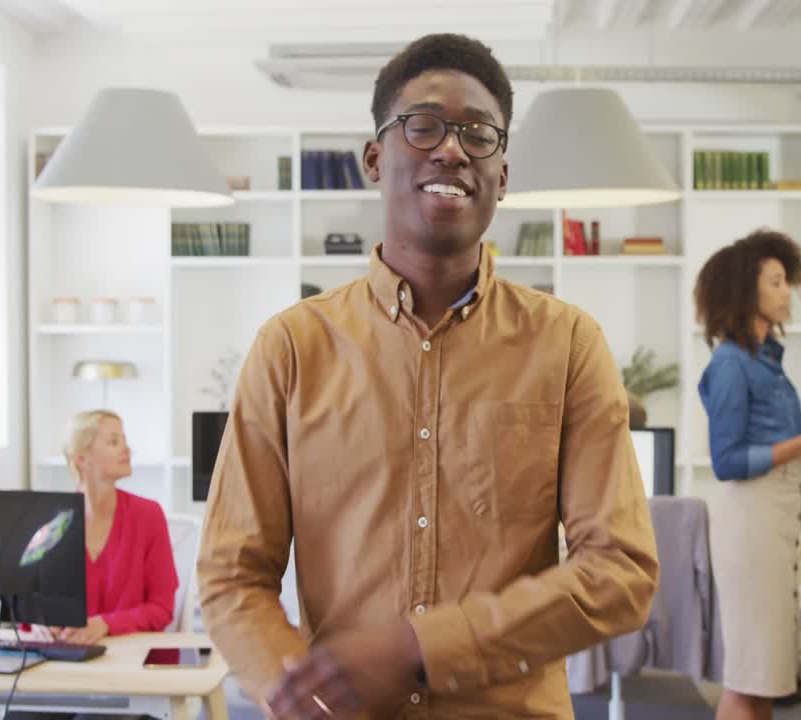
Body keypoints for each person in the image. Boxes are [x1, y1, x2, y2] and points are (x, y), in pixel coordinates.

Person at [197, 32, 659, 720]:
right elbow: (233, 575)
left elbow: (620, 572)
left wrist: (423, 645)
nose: (451, 148)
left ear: (501, 176)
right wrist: (299, 689)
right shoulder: (291, 349)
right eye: (423, 126)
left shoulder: (567, 345)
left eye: (479, 134)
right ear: (374, 159)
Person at [694, 230, 801, 720]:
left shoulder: (766, 361)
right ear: (746, 292)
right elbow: (728, 461)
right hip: (752, 520)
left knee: (766, 679)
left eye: (787, 282)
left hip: (775, 516)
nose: (788, 293)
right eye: (777, 282)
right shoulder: (729, 364)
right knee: (747, 680)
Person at [32, 410, 179, 643]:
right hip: (66, 657)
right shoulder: (51, 523)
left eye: (124, 440)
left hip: (130, 660)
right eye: (113, 442)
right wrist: (39, 623)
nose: (126, 449)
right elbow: (27, 602)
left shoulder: (148, 515)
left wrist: (105, 625)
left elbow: (162, 609)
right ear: (81, 459)